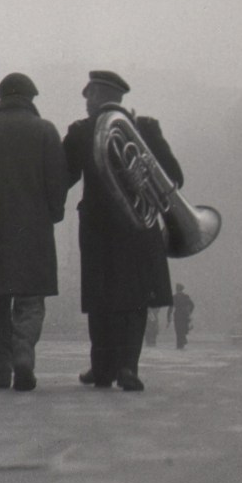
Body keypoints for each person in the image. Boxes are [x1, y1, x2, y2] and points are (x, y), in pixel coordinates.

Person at [64, 70, 181, 392]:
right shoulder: (145, 128)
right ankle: (128, 367)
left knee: (100, 298)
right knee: (135, 298)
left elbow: (63, 177)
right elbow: (175, 176)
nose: (86, 102)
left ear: (99, 95)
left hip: (99, 227)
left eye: (88, 95)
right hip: (138, 229)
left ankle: (102, 369)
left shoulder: (82, 131)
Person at [0, 72, 68, 391]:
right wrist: (54, 213)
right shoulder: (45, 130)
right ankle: (23, 356)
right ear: (31, 98)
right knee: (30, 298)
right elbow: (57, 179)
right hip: (34, 229)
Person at [168, 282, 194, 349]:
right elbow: (192, 305)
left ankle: (179, 345)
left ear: (176, 289)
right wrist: (189, 312)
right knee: (183, 330)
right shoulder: (186, 297)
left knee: (178, 331)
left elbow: (170, 308)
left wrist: (168, 318)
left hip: (177, 316)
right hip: (184, 316)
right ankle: (182, 341)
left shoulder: (174, 297)